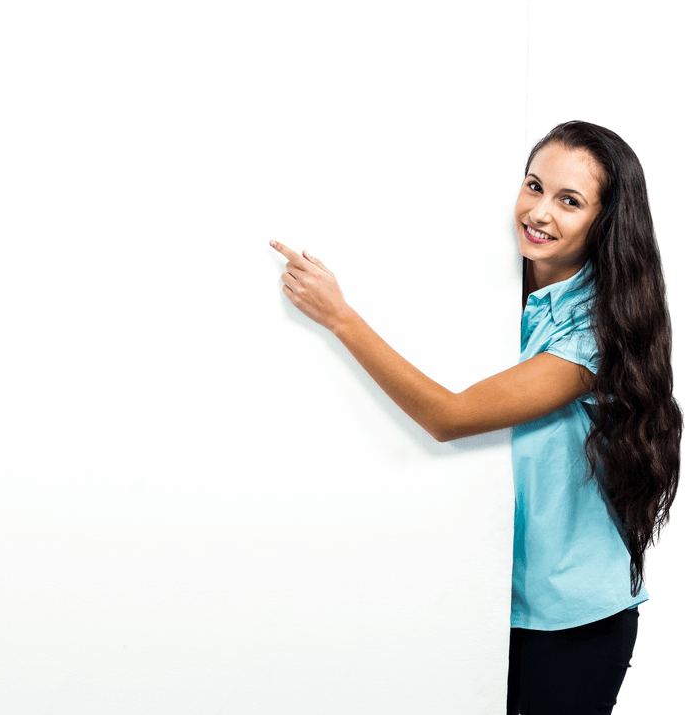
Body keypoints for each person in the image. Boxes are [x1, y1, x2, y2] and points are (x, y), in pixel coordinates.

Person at [271, 120, 682, 714]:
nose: (539, 212)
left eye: (569, 201)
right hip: (486, 602)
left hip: (572, 620)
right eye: (534, 186)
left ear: (605, 222)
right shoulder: (495, 290)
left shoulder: (595, 331)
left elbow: (451, 415)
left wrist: (340, 318)